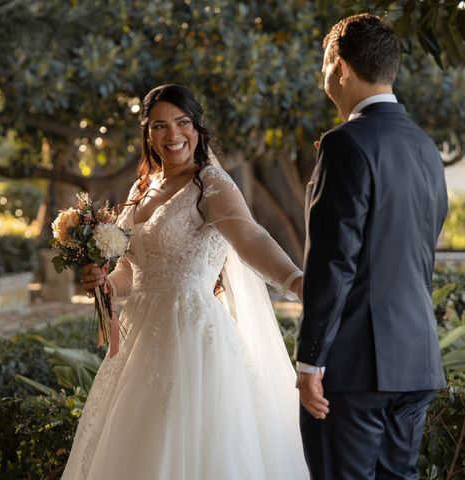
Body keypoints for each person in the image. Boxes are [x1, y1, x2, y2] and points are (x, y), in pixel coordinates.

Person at [61, 84, 310, 479]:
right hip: (139, 337)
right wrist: (105, 283)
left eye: (182, 123)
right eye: (160, 125)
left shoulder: (209, 184)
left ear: (197, 127)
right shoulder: (142, 188)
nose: (173, 135)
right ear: (147, 133)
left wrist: (298, 283)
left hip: (193, 339)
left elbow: (251, 237)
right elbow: (133, 273)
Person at [296, 13, 448, 480]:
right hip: (416, 360)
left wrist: (310, 358)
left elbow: (334, 260)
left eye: (324, 65)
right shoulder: (426, 148)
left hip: (355, 367)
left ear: (340, 66)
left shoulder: (346, 143)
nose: (324, 77)